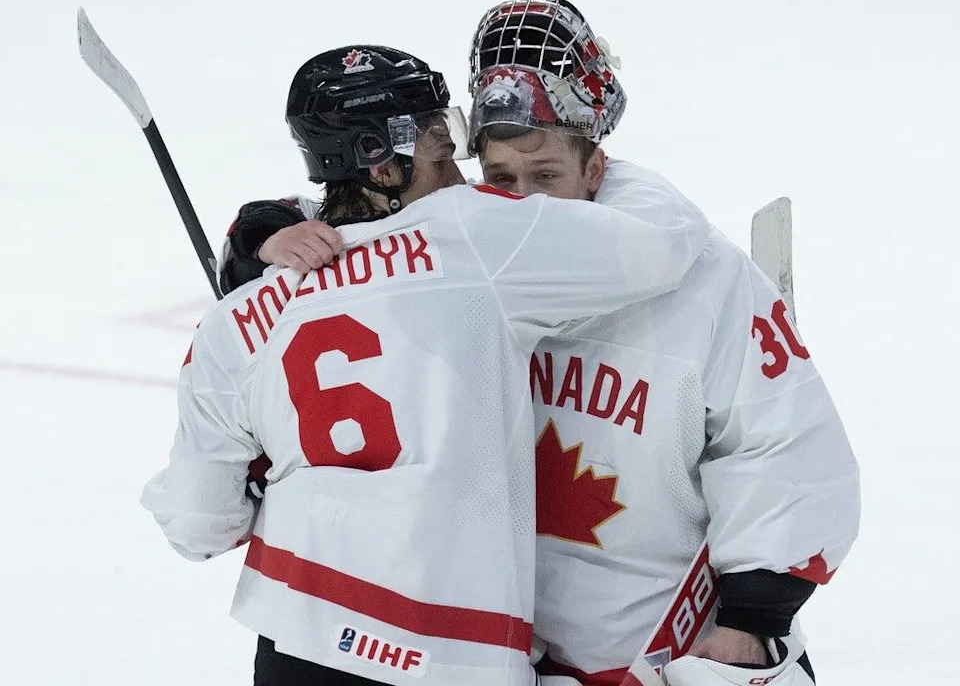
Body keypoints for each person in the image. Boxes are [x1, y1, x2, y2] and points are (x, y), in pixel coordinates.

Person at [227, 0, 861, 686]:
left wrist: (754, 618)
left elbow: (784, 440)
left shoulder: (697, 273)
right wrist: (261, 237)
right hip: (503, 657)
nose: (524, 199)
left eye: (547, 176)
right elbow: (355, 215)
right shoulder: (464, 248)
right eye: (502, 179)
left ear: (597, 168)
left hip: (676, 653)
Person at [141, 44, 710, 686]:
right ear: (382, 166)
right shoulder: (475, 235)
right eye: (441, 147)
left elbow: (198, 526)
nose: (462, 169)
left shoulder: (239, 318)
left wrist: (254, 483)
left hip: (298, 645)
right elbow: (663, 248)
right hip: (453, 658)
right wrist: (603, 165)